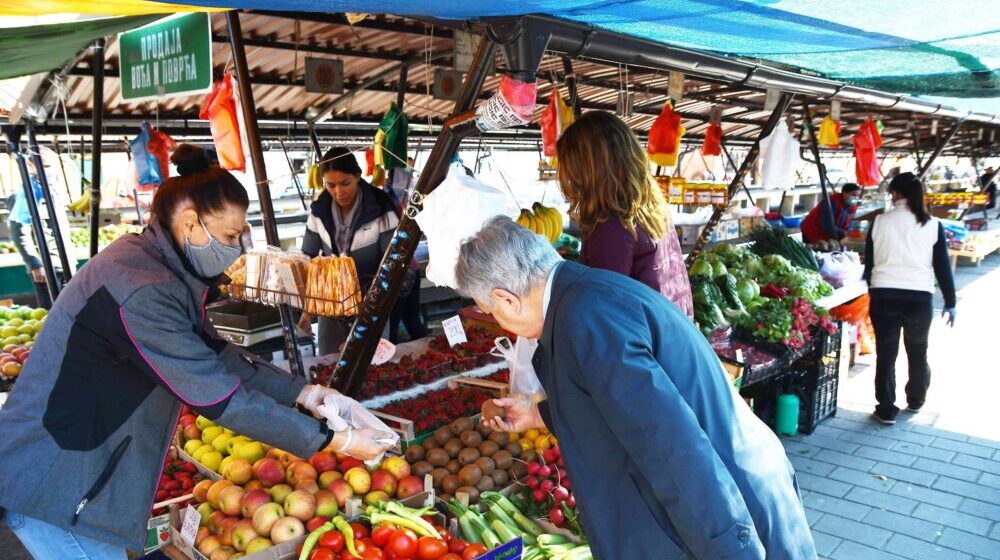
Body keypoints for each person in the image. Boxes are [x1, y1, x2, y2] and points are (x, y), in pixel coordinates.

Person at [0, 145, 392, 559]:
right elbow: (220, 396)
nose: (237, 248)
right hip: (58, 482)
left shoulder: (157, 268)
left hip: (79, 473)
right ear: (190, 224)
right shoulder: (142, 290)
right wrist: (336, 439)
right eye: (229, 236)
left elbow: (216, 355)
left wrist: (310, 395)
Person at [458, 216, 815, 560]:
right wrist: (541, 413)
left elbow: (672, 445)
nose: (500, 321)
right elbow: (619, 401)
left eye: (492, 311)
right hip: (726, 498)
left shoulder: (588, 318)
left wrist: (729, 550)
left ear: (506, 299)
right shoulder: (583, 297)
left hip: (731, 510)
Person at [556, 111, 693, 318]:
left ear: (587, 171)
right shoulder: (650, 206)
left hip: (643, 341)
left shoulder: (611, 224)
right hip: (669, 333)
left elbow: (602, 308)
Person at [299, 147, 421, 352]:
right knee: (330, 364)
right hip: (331, 305)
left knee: (371, 362)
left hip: (371, 305)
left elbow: (394, 263)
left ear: (357, 176)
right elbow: (307, 258)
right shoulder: (319, 212)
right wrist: (306, 310)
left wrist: (373, 301)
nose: (339, 192)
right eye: (331, 185)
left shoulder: (381, 208)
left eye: (345, 183)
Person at [864, 172, 956, 425]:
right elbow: (942, 267)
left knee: (886, 353)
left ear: (895, 193)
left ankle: (885, 408)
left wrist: (874, 290)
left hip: (884, 295)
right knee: (917, 351)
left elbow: (870, 264)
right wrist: (950, 301)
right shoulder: (933, 224)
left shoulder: (879, 222)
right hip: (919, 298)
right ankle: (916, 400)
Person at [6, 159, 54, 309]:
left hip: (59, 263)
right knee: (52, 313)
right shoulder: (28, 193)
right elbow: (19, 231)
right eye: (46, 166)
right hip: (46, 267)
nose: (50, 171)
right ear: (30, 166)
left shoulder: (49, 189)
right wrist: (35, 264)